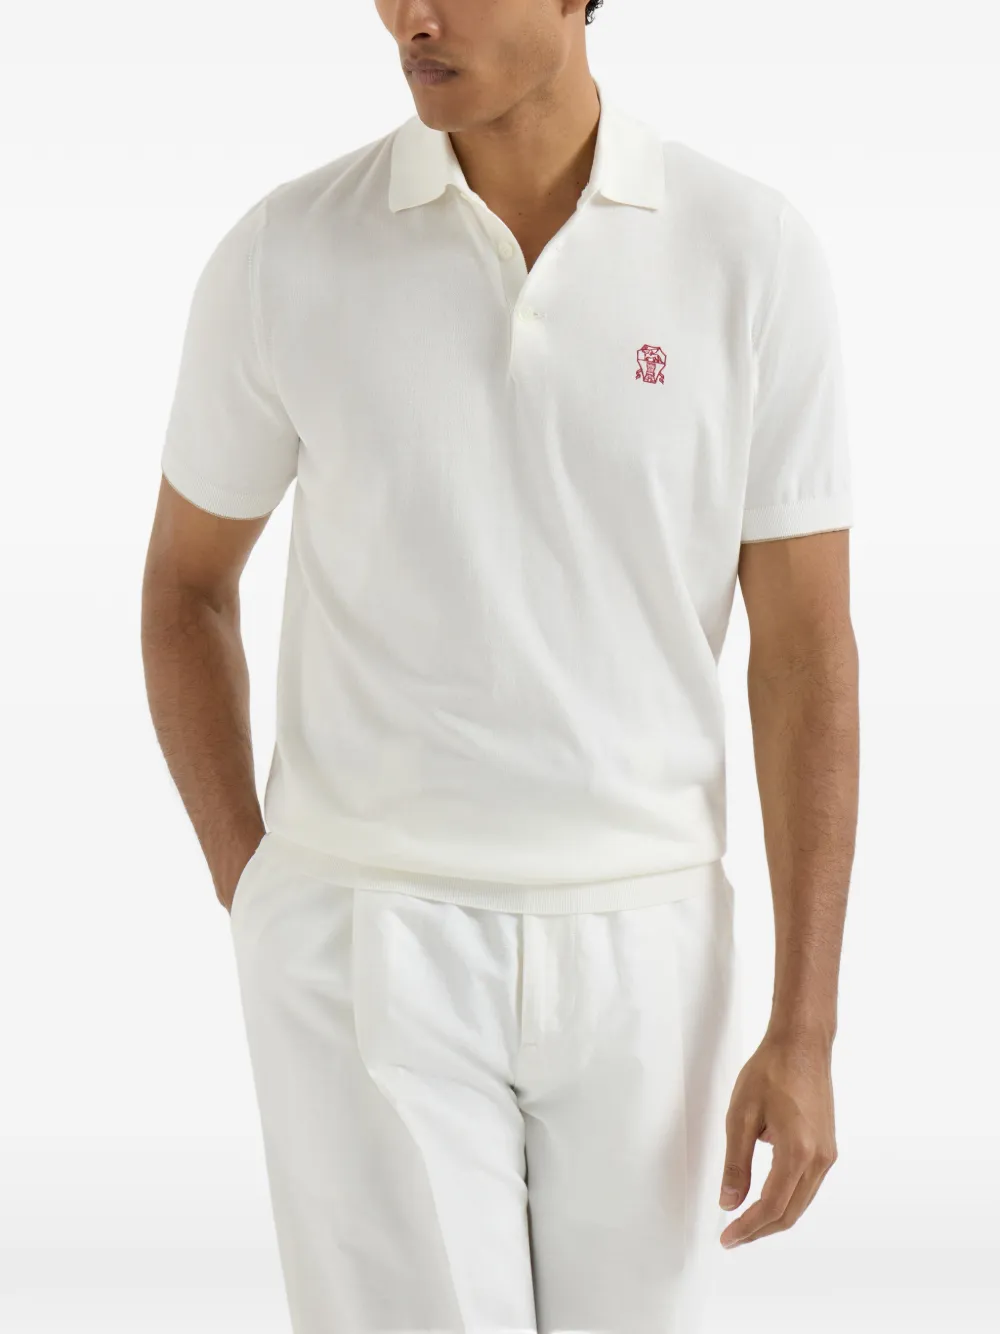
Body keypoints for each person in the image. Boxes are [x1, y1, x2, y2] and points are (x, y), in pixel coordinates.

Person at [141, 1, 858, 1330]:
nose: (409, 17)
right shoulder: (288, 252)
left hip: (652, 945)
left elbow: (807, 653)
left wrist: (804, 1025)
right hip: (366, 937)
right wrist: (262, 893)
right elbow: (186, 589)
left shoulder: (747, 252)